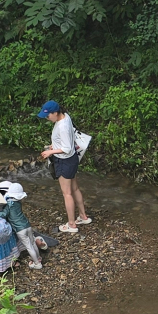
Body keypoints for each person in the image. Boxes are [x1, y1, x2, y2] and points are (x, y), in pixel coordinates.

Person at [37, 99, 91, 234]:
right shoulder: (66, 116)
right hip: (72, 160)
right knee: (75, 188)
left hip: (64, 161)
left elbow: (66, 148)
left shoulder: (62, 126)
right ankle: (83, 217)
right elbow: (66, 142)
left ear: (55, 113)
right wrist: (53, 146)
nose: (47, 118)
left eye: (48, 116)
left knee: (67, 193)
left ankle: (72, 224)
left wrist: (50, 151)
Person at [0, 180, 45, 269]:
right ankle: (38, 257)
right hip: (27, 225)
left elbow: (3, 214)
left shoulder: (8, 204)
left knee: (29, 247)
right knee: (33, 243)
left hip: (20, 230)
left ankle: (37, 264)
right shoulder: (18, 203)